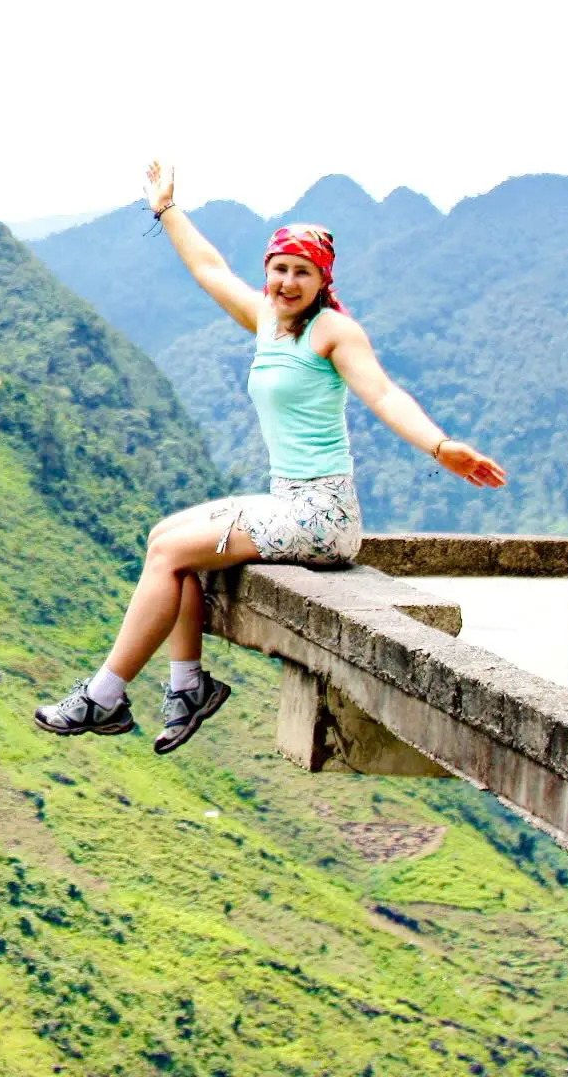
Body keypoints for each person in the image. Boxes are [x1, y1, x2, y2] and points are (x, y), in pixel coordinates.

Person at [34, 160, 507, 753]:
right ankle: (186, 686)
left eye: (300, 272)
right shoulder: (267, 321)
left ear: (321, 280)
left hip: (322, 516)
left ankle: (105, 695)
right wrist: (166, 209)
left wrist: (440, 446)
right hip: (289, 500)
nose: (286, 282)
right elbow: (208, 269)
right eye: (278, 269)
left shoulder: (332, 331)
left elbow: (382, 393)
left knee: (171, 551)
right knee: (166, 541)